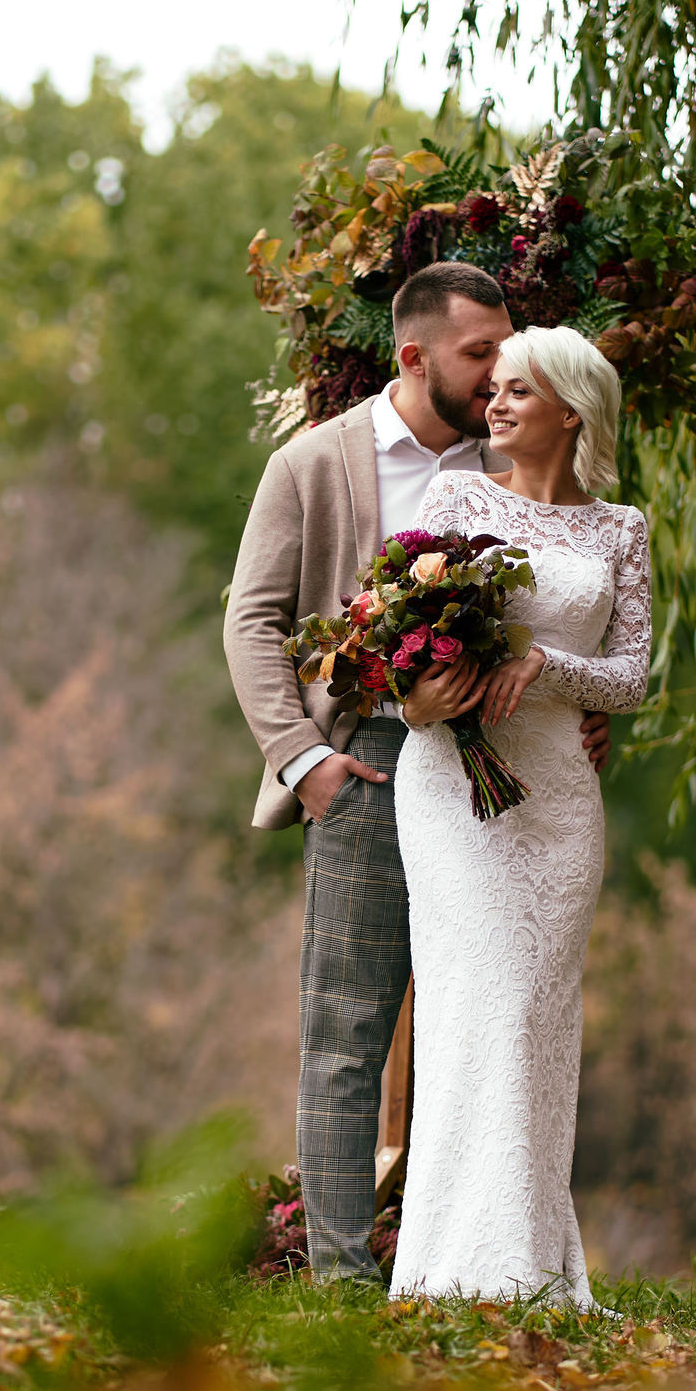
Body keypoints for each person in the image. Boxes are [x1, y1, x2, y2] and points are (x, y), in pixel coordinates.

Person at [221, 265, 615, 1285]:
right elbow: (251, 620)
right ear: (413, 356)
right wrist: (303, 761)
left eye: (509, 357)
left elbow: (574, 617)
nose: (499, 376)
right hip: (364, 764)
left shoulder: (512, 452)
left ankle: (469, 1260)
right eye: (480, 355)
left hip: (500, 773)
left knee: (488, 1016)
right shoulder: (313, 463)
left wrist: (574, 711)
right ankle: (342, 1279)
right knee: (348, 1026)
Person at [388, 325, 649, 1305]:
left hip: (560, 796)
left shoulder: (621, 529)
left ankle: (527, 1262)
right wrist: (425, 691)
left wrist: (546, 665)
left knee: (536, 1013)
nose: (493, 404)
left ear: (572, 411)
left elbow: (630, 677)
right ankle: (452, 1266)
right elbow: (400, 645)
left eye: (517, 392)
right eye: (492, 388)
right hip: (454, 785)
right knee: (476, 1006)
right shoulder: (455, 500)